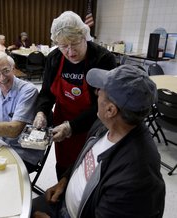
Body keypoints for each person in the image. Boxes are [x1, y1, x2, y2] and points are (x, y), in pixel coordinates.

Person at [32, 64, 166, 218]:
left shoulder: (135, 178)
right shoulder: (106, 125)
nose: (96, 92)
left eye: (101, 89)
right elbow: (85, 160)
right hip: (62, 200)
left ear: (110, 110)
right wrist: (64, 181)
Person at [33, 11, 117, 179]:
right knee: (64, 166)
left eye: (74, 43)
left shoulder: (103, 59)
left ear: (84, 36)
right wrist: (41, 112)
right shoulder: (54, 58)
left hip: (93, 123)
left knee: (88, 170)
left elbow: (104, 104)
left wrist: (72, 126)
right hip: (62, 119)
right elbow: (47, 92)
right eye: (63, 45)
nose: (70, 52)